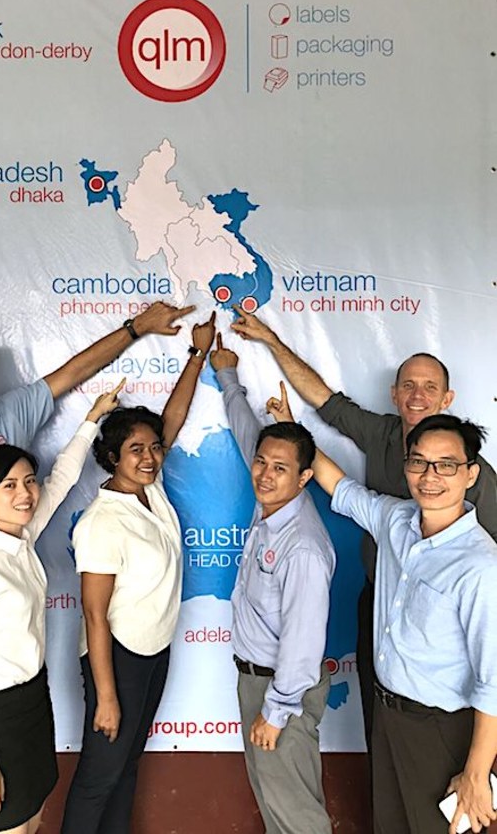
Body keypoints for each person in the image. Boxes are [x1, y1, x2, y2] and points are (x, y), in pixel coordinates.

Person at [0, 301, 194, 834]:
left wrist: (132, 340)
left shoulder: (16, 472)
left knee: (27, 788)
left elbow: (67, 424)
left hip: (17, 657)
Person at [229, 305, 497, 750]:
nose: (430, 478)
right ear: (394, 394)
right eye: (408, 385)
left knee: (439, 732)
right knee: (383, 718)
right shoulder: (386, 465)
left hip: (442, 620)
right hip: (382, 599)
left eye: (430, 387)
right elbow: (328, 417)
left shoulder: (478, 480)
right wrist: (272, 346)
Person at [273, 382, 497, 833]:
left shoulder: (480, 566)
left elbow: (494, 680)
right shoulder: (396, 520)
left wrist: (476, 772)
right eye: (419, 462)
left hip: (444, 731)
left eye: (446, 465)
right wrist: (293, 430)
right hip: (387, 716)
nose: (430, 476)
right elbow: (340, 487)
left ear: (470, 475)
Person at [0, 383, 123, 834]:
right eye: (9, 486)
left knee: (34, 818)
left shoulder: (20, 537)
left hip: (32, 701)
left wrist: (92, 419)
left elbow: (60, 480)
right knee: (5, 826)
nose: (25, 494)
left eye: (27, 482)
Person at [61, 313, 216, 834]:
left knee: (126, 766)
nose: (149, 457)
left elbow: (171, 419)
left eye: (154, 448)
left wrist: (197, 355)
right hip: (117, 658)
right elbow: (94, 616)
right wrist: (106, 695)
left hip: (153, 650)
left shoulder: (152, 489)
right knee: (99, 775)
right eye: (135, 450)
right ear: (111, 458)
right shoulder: (103, 521)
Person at [210, 334, 335, 834]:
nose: (264, 474)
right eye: (261, 462)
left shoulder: (301, 546)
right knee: (275, 805)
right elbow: (250, 435)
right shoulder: (273, 506)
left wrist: (277, 711)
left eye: (280, 468)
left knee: (297, 817)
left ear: (304, 478)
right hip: (256, 680)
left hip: (282, 690)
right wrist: (226, 375)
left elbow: (303, 644)